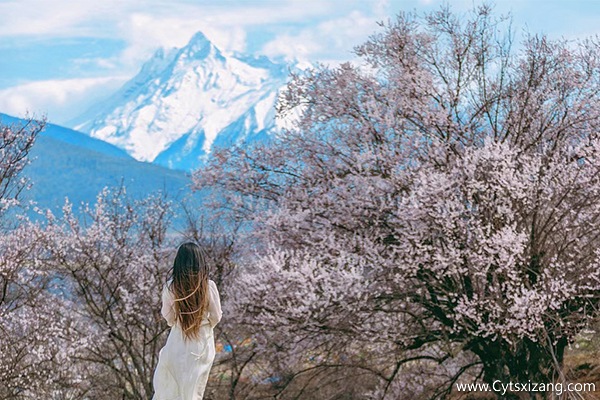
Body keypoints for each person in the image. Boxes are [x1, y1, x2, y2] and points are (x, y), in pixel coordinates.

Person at [152, 242, 223, 400]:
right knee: (194, 389)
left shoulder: (171, 287)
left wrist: (178, 324)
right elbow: (216, 315)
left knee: (172, 386)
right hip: (202, 343)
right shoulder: (208, 286)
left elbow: (167, 315)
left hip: (177, 340)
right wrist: (204, 324)